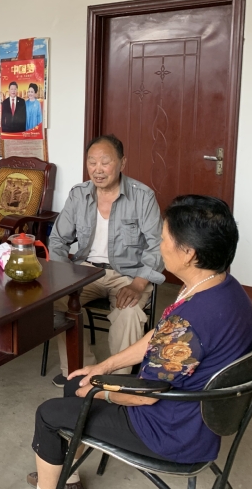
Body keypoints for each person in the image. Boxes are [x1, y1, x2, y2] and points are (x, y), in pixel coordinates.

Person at [27, 195, 252, 489]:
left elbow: (145, 397)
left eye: (164, 238)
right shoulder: (223, 287)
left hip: (168, 432)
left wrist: (99, 393)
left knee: (48, 414)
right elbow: (159, 335)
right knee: (76, 383)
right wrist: (102, 368)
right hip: (194, 415)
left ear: (188, 253)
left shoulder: (189, 323)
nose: (159, 245)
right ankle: (67, 477)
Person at [49, 135, 164, 385]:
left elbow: (158, 246)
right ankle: (78, 371)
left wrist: (138, 284)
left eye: (105, 162)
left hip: (129, 274)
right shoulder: (79, 195)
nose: (97, 169)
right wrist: (63, 277)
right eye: (92, 162)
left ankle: (117, 381)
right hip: (86, 272)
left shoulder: (142, 196)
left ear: (122, 163)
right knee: (58, 303)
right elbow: (58, 239)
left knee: (129, 313)